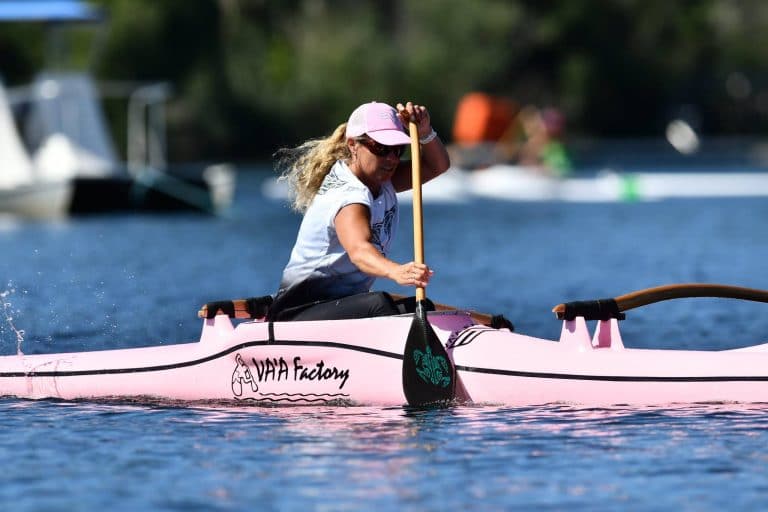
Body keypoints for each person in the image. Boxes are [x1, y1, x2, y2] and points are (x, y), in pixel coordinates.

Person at [268, 100, 450, 321]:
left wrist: (424, 132)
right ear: (353, 145)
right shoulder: (347, 196)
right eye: (381, 148)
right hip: (298, 310)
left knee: (421, 307)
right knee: (379, 305)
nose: (391, 159)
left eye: (397, 149)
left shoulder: (382, 180)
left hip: (342, 304)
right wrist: (396, 271)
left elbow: (436, 165)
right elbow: (360, 251)